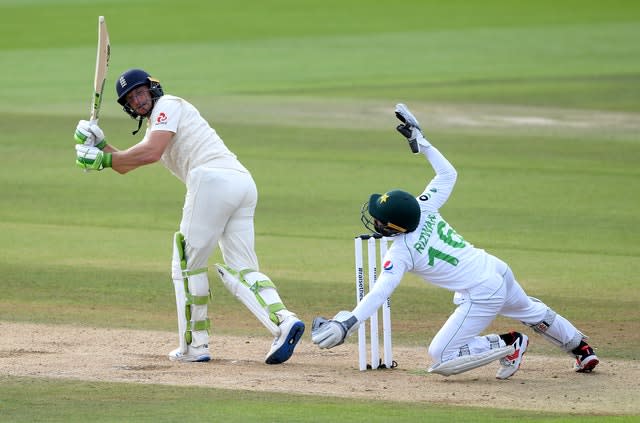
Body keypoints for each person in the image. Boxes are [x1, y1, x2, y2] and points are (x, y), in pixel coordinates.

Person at [311, 103, 599, 378]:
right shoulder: (424, 206)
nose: (375, 222)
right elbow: (448, 173)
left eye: (380, 220)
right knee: (532, 310)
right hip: (495, 267)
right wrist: (421, 142)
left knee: (441, 356)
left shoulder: (401, 252)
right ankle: (582, 350)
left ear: (395, 227)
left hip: (482, 291)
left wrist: (348, 322)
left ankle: (510, 342)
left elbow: (378, 293)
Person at [74, 68, 305, 364]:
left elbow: (150, 154)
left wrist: (101, 159)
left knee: (185, 265)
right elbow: (126, 164)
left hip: (212, 181)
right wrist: (100, 145)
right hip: (241, 184)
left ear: (153, 89)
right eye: (131, 98)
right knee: (242, 269)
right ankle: (284, 321)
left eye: (140, 92)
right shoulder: (157, 125)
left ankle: (193, 347)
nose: (138, 100)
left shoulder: (168, 105)